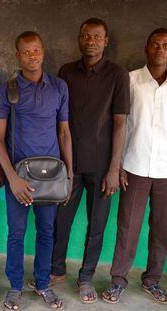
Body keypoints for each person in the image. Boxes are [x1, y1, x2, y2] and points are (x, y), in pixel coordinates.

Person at [51, 18, 130, 303]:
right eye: (86, 35)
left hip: (102, 167)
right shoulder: (65, 73)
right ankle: (56, 269)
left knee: (96, 225)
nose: (91, 41)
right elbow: (61, 121)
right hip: (70, 164)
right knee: (61, 219)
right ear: (79, 39)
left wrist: (114, 168)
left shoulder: (118, 75)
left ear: (106, 41)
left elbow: (120, 124)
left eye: (97, 37)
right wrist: (64, 165)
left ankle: (86, 278)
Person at [0, 31, 73, 310]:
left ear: (43, 51)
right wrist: (12, 178)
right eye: (26, 52)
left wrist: (69, 174)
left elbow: (64, 133)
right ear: (17, 56)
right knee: (16, 232)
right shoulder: (7, 90)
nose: (32, 56)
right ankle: (14, 287)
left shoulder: (59, 87)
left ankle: (42, 284)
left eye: (36, 50)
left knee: (47, 231)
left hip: (51, 176)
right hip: (19, 178)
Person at [102, 28, 167, 305]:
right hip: (135, 166)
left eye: (166, 45)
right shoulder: (130, 80)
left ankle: (152, 280)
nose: (160, 49)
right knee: (128, 227)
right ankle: (118, 280)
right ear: (146, 48)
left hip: (166, 170)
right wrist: (118, 165)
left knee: (162, 229)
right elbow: (120, 125)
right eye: (155, 44)